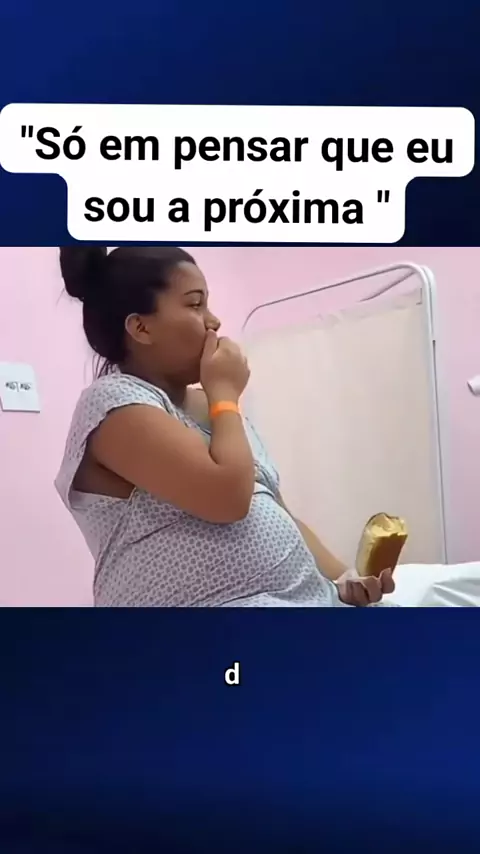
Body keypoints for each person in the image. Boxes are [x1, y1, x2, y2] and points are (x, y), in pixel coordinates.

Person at [55, 246, 395, 607]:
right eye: (195, 304)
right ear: (141, 327)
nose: (214, 321)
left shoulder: (212, 404)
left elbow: (272, 504)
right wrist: (225, 394)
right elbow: (227, 499)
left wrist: (344, 578)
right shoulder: (113, 403)